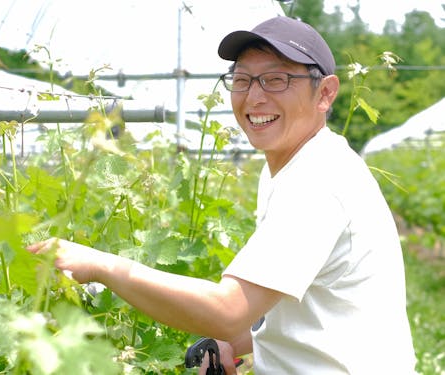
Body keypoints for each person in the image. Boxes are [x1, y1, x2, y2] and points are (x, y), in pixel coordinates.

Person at [28, 16, 417, 374]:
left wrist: (102, 266)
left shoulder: (318, 181)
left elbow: (229, 309)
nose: (254, 97)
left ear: (325, 94)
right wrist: (236, 343)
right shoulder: (293, 164)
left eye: (277, 79)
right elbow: (296, 307)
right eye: (243, 79)